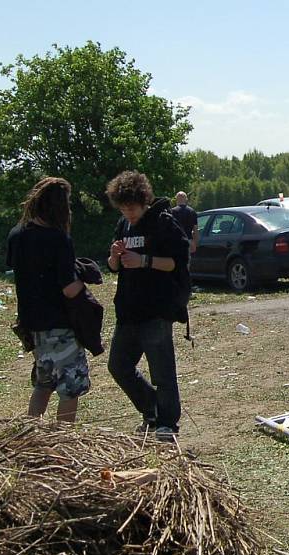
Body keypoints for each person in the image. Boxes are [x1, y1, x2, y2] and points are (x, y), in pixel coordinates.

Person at [106, 171, 190, 442]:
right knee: (118, 366)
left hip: (157, 308)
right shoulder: (123, 225)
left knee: (162, 370)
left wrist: (144, 261)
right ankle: (151, 407)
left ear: (143, 201)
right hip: (128, 309)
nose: (128, 213)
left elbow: (177, 262)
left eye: (131, 207)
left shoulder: (163, 223)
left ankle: (168, 422)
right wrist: (114, 257)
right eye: (123, 208)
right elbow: (113, 266)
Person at [5, 178, 89, 422]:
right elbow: (69, 290)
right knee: (70, 387)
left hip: (32, 325)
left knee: (44, 383)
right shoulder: (58, 239)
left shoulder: (16, 235)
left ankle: (32, 436)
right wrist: (85, 278)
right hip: (59, 325)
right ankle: (61, 443)